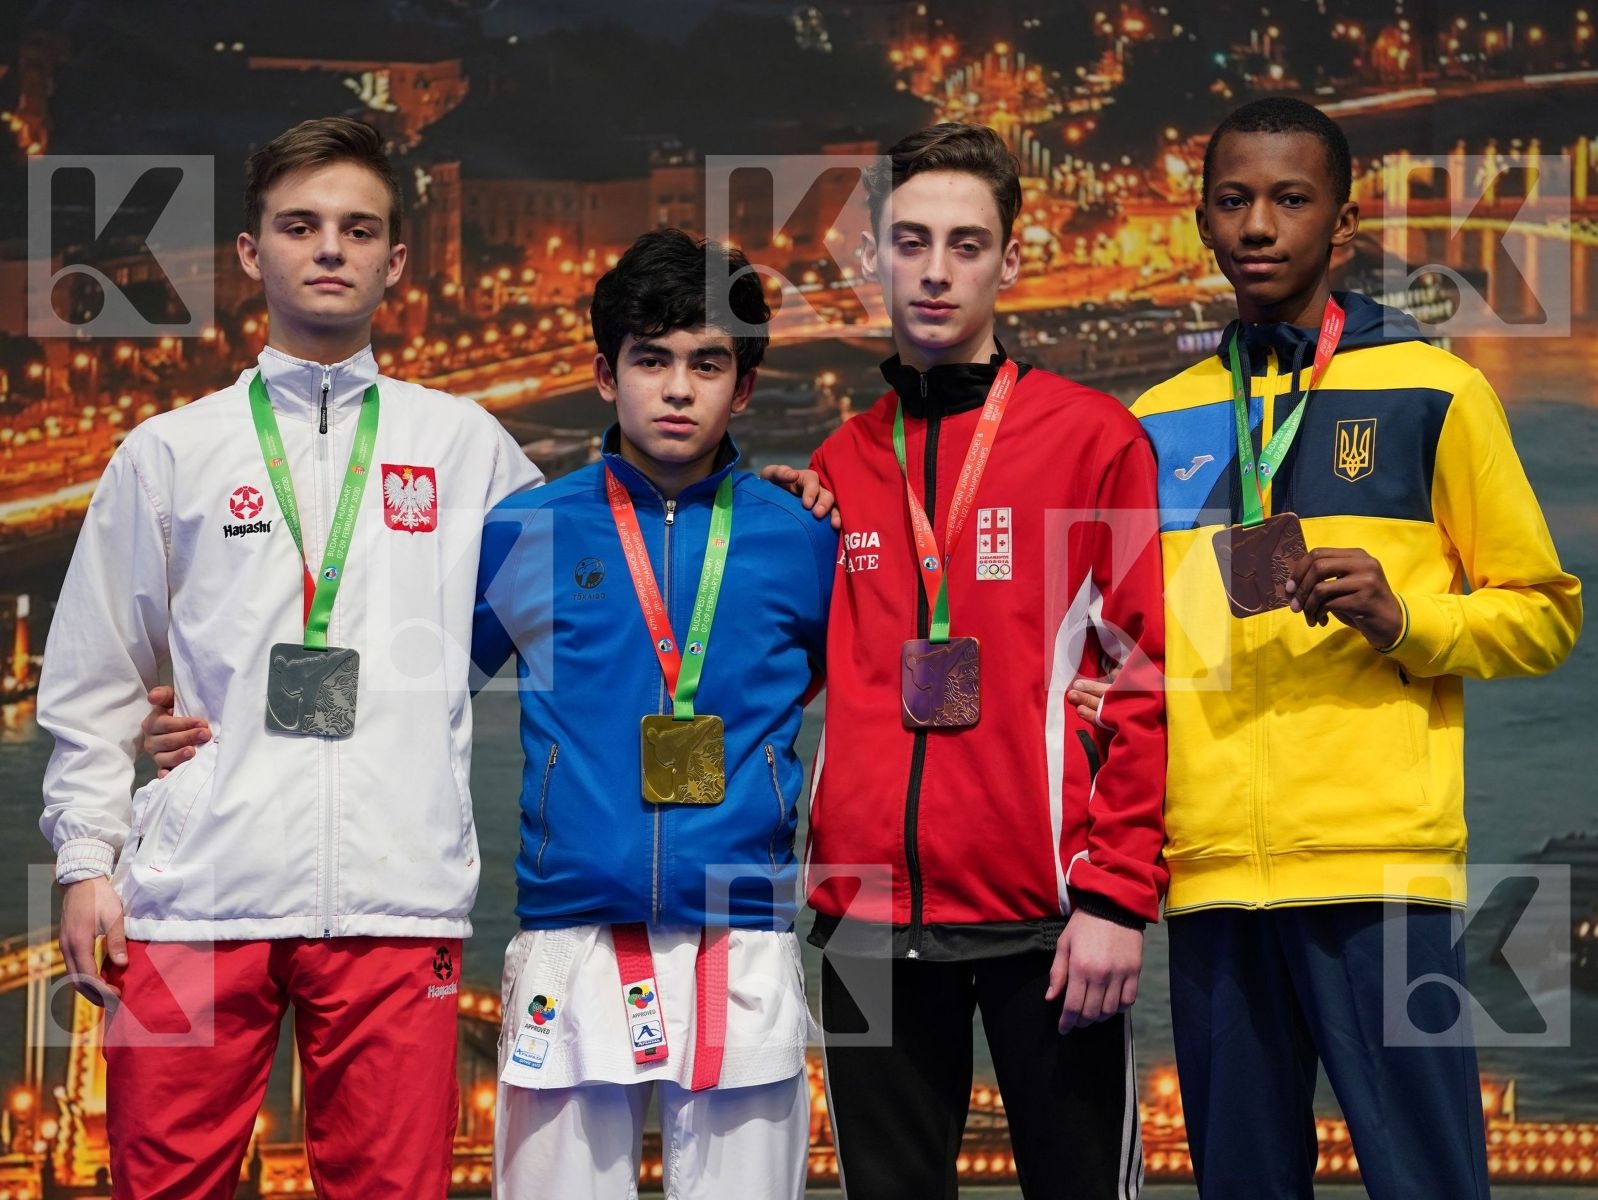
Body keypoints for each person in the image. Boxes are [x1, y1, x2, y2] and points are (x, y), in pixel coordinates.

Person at [1072, 97, 1582, 1199]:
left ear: (1339, 225)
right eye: (1233, 201)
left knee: (1428, 1183)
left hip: (1379, 877)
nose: (1258, 225)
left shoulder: (1436, 394)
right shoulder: (1151, 424)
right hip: (1208, 883)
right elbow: (1124, 652)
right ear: (1201, 223)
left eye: (1289, 200)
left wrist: (1408, 620)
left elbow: (1541, 613)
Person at [38, 116, 543, 1198]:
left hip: (394, 903)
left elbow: (590, 601)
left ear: (394, 260)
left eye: (357, 229)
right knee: (161, 1187)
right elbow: (92, 679)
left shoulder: (466, 447)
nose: (328, 248)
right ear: (248, 253)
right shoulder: (167, 451)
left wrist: (772, 503)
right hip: (191, 897)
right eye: (299, 225)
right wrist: (85, 861)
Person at [791, 121, 1168, 1200]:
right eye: (910, 241)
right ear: (873, 255)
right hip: (861, 920)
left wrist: (1115, 898)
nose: (935, 270)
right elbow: (800, 671)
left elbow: (1143, 670)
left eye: (965, 244)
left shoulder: (1093, 439)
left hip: (1045, 920)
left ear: (1010, 259)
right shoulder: (838, 461)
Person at [470, 228, 835, 1199]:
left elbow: (879, 709)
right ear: (604, 373)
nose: (678, 388)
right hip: (567, 932)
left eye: (706, 364)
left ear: (743, 386)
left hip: (742, 933)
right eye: (651, 360)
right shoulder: (525, 531)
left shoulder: (801, 541)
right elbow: (418, 703)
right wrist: (204, 717)